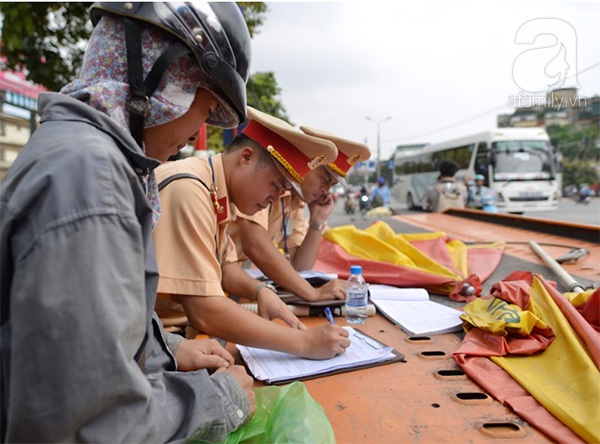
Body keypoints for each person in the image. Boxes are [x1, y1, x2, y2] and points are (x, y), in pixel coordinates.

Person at [0, 3, 257, 442]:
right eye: (204, 108)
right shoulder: (91, 179)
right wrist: (222, 399)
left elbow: (100, 331)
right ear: (166, 80)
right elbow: (90, 423)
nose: (198, 133)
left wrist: (171, 351)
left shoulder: (85, 157)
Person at [153, 107, 351, 359]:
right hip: (159, 338)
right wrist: (302, 342)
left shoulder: (216, 187)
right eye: (277, 185)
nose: (276, 198)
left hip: (176, 334)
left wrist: (260, 292)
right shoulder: (190, 189)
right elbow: (204, 311)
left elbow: (227, 266)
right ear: (246, 157)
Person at [229, 126, 371, 302]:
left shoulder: (295, 203)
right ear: (308, 165)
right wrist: (312, 293)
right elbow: (255, 244)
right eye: (325, 179)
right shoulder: (266, 188)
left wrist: (317, 221)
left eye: (332, 186)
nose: (325, 191)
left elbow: (300, 266)